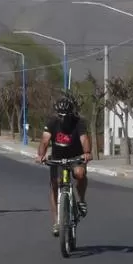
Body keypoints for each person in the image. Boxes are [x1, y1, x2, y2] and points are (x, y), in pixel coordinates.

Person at [36, 95, 92, 237]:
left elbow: (84, 139)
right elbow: (45, 140)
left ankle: (81, 200)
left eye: (66, 115)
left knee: (80, 173)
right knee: (55, 185)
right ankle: (56, 222)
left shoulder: (79, 122)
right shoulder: (52, 122)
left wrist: (86, 153)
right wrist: (41, 155)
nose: (63, 118)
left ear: (71, 113)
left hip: (76, 157)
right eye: (60, 115)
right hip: (57, 158)